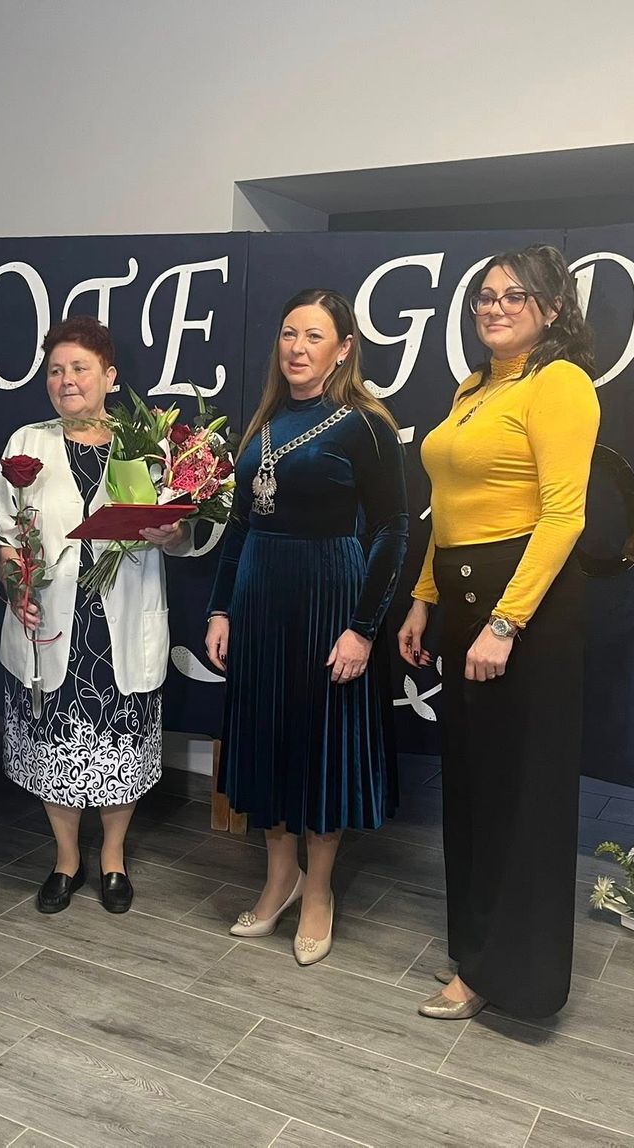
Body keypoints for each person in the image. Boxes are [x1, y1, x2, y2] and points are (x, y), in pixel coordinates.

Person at [396, 244, 599, 1020]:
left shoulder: (560, 383)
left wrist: (505, 622)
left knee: (520, 797)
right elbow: (447, 512)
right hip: (463, 603)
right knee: (475, 789)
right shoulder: (473, 388)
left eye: (515, 296)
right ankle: (475, 951)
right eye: (485, 296)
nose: (495, 307)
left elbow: (564, 516)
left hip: (524, 613)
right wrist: (423, 600)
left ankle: (514, 977)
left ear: (552, 308)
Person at [205, 288, 408, 967]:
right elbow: (241, 524)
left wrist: (363, 628)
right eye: (289, 333)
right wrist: (221, 608)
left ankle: (318, 891)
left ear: (344, 348)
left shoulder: (367, 425)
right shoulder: (264, 419)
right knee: (268, 742)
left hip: (330, 603)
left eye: (314, 336)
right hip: (261, 602)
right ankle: (279, 879)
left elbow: (392, 530)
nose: (297, 348)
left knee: (322, 749)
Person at [0, 317, 195, 915]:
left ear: (109, 376)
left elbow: (182, 537)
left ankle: (112, 856)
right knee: (52, 743)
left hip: (121, 622)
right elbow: (5, 537)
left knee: (121, 745)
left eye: (80, 368)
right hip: (51, 619)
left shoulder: (150, 446)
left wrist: (173, 533)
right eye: (56, 370)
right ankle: (65, 859)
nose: (67, 380)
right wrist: (14, 585)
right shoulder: (26, 443)